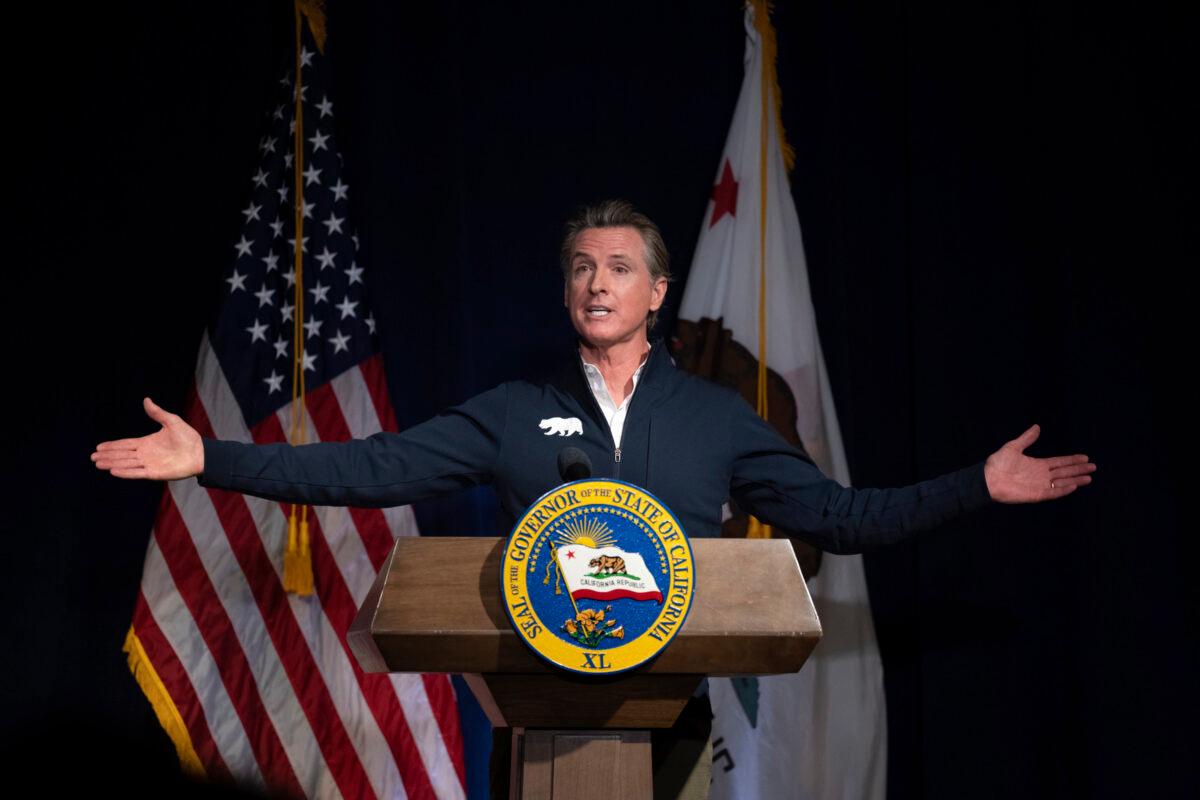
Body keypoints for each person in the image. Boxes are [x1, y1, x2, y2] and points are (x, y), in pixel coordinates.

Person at [92, 199, 1095, 797]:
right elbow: (369, 467)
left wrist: (977, 483)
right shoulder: (514, 411)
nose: (596, 282)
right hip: (540, 724)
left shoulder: (717, 418)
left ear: (657, 291)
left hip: (672, 729)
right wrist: (211, 458)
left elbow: (841, 517)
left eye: (618, 268)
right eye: (581, 268)